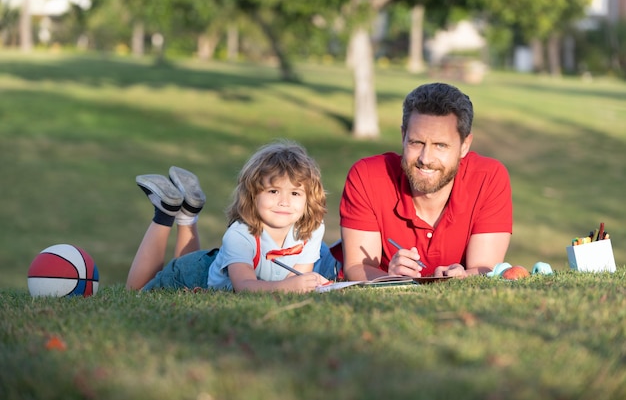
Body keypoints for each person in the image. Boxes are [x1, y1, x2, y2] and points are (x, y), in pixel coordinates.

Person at [339, 82, 512, 280]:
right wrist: (390, 277)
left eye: (440, 145)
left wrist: (462, 276)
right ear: (403, 136)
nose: (425, 158)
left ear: (464, 146)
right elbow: (356, 267)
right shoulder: (367, 176)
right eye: (416, 142)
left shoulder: (489, 178)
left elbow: (485, 268)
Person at [126, 140, 339, 293]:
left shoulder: (313, 229)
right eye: (273, 191)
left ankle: (188, 214)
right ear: (252, 195)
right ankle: (164, 212)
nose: (284, 201)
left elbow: (294, 281)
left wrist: (301, 286)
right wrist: (289, 287)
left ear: (309, 198)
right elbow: (244, 286)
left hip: (212, 264)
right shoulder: (240, 234)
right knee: (135, 294)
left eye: (295, 193)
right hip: (189, 274)